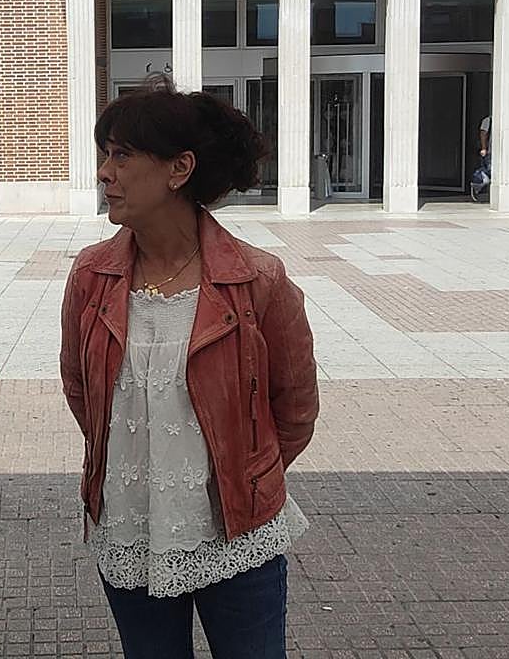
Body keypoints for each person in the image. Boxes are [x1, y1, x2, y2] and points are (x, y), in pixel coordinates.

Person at [60, 75, 320, 659]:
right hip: (128, 527)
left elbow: (294, 409)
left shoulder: (258, 280)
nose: (105, 172)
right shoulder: (90, 276)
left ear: (179, 170)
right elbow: (82, 391)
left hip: (238, 535)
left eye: (123, 156)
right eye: (105, 155)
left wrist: (245, 478)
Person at [471, 115, 491, 201]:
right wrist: (484, 148)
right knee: (488, 173)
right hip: (489, 153)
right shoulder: (488, 120)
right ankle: (476, 185)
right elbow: (483, 134)